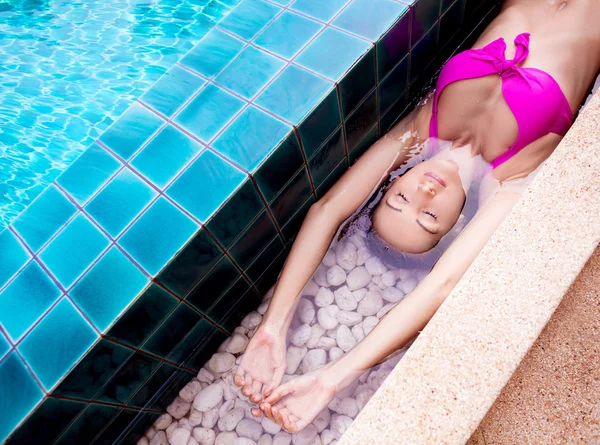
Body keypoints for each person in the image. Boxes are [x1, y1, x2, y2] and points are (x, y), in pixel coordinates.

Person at [234, 0, 600, 432]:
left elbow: (327, 210)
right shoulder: (510, 179)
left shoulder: (420, 129)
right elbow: (442, 286)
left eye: (399, 199)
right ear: (453, 227)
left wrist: (273, 326)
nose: (422, 193)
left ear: (390, 183)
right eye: (428, 218)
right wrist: (335, 377)